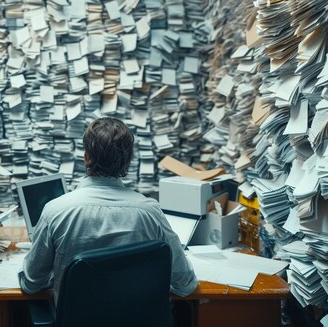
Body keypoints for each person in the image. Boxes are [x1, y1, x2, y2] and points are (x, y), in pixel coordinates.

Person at [19, 117, 198, 302]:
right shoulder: (150, 213)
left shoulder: (55, 211)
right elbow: (185, 284)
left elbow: (32, 284)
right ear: (128, 161)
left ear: (86, 157)